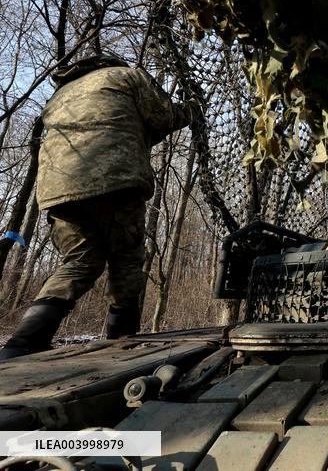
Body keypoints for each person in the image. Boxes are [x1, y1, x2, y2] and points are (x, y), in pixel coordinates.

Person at [0, 55, 194, 360]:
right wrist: (191, 109)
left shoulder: (59, 95)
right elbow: (164, 118)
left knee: (79, 261)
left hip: (57, 188)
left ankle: (21, 344)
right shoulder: (126, 76)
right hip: (114, 179)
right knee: (126, 260)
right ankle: (121, 343)